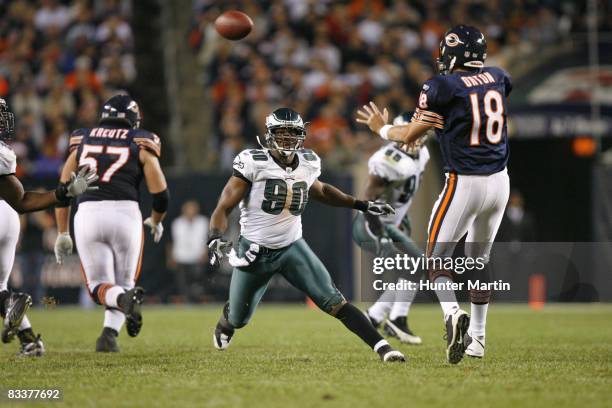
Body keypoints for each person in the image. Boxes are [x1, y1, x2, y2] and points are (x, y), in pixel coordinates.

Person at [357, 25, 511, 364]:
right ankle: (479, 340)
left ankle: (452, 314)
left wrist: (380, 128)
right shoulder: (499, 77)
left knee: (436, 260)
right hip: (500, 182)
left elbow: (411, 132)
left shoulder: (441, 85)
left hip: (465, 182)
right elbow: (468, 115)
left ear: (454, 53)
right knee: (478, 260)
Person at [208, 108, 405, 362]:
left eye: (293, 133)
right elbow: (224, 206)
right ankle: (227, 320)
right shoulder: (252, 161)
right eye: (282, 133)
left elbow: (323, 192)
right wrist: (214, 237)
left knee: (335, 302)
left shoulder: (309, 162)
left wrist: (362, 205)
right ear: (269, 135)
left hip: (292, 247)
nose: (288, 139)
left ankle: (384, 349)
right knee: (239, 318)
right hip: (254, 251)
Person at [54, 94, 169, 353]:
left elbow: (62, 190)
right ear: (132, 119)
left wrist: (62, 232)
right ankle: (114, 324)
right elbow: (161, 193)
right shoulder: (140, 142)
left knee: (99, 287)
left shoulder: (82, 139)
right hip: (125, 214)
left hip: (88, 213)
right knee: (124, 283)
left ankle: (108, 335)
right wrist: (157, 219)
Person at [0, 98, 97, 356]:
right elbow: (21, 201)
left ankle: (11, 302)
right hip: (7, 218)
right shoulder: (2, 153)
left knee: (2, 295)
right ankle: (29, 341)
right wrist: (62, 192)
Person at [353, 112, 430, 345]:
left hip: (391, 224)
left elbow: (403, 192)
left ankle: (375, 316)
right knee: (416, 264)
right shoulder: (387, 161)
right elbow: (368, 202)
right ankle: (396, 318)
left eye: (419, 133)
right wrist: (382, 235)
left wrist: (402, 218)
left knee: (417, 266)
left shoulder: (423, 154)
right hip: (370, 225)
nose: (414, 139)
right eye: (408, 133)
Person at [170, 200, 209, 302]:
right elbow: (173, 240)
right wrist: (172, 256)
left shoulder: (203, 222)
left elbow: (207, 238)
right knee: (182, 282)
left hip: (197, 257)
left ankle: (197, 300)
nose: (190, 211)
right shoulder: (177, 222)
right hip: (181, 256)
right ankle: (186, 301)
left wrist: (205, 253)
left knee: (197, 281)